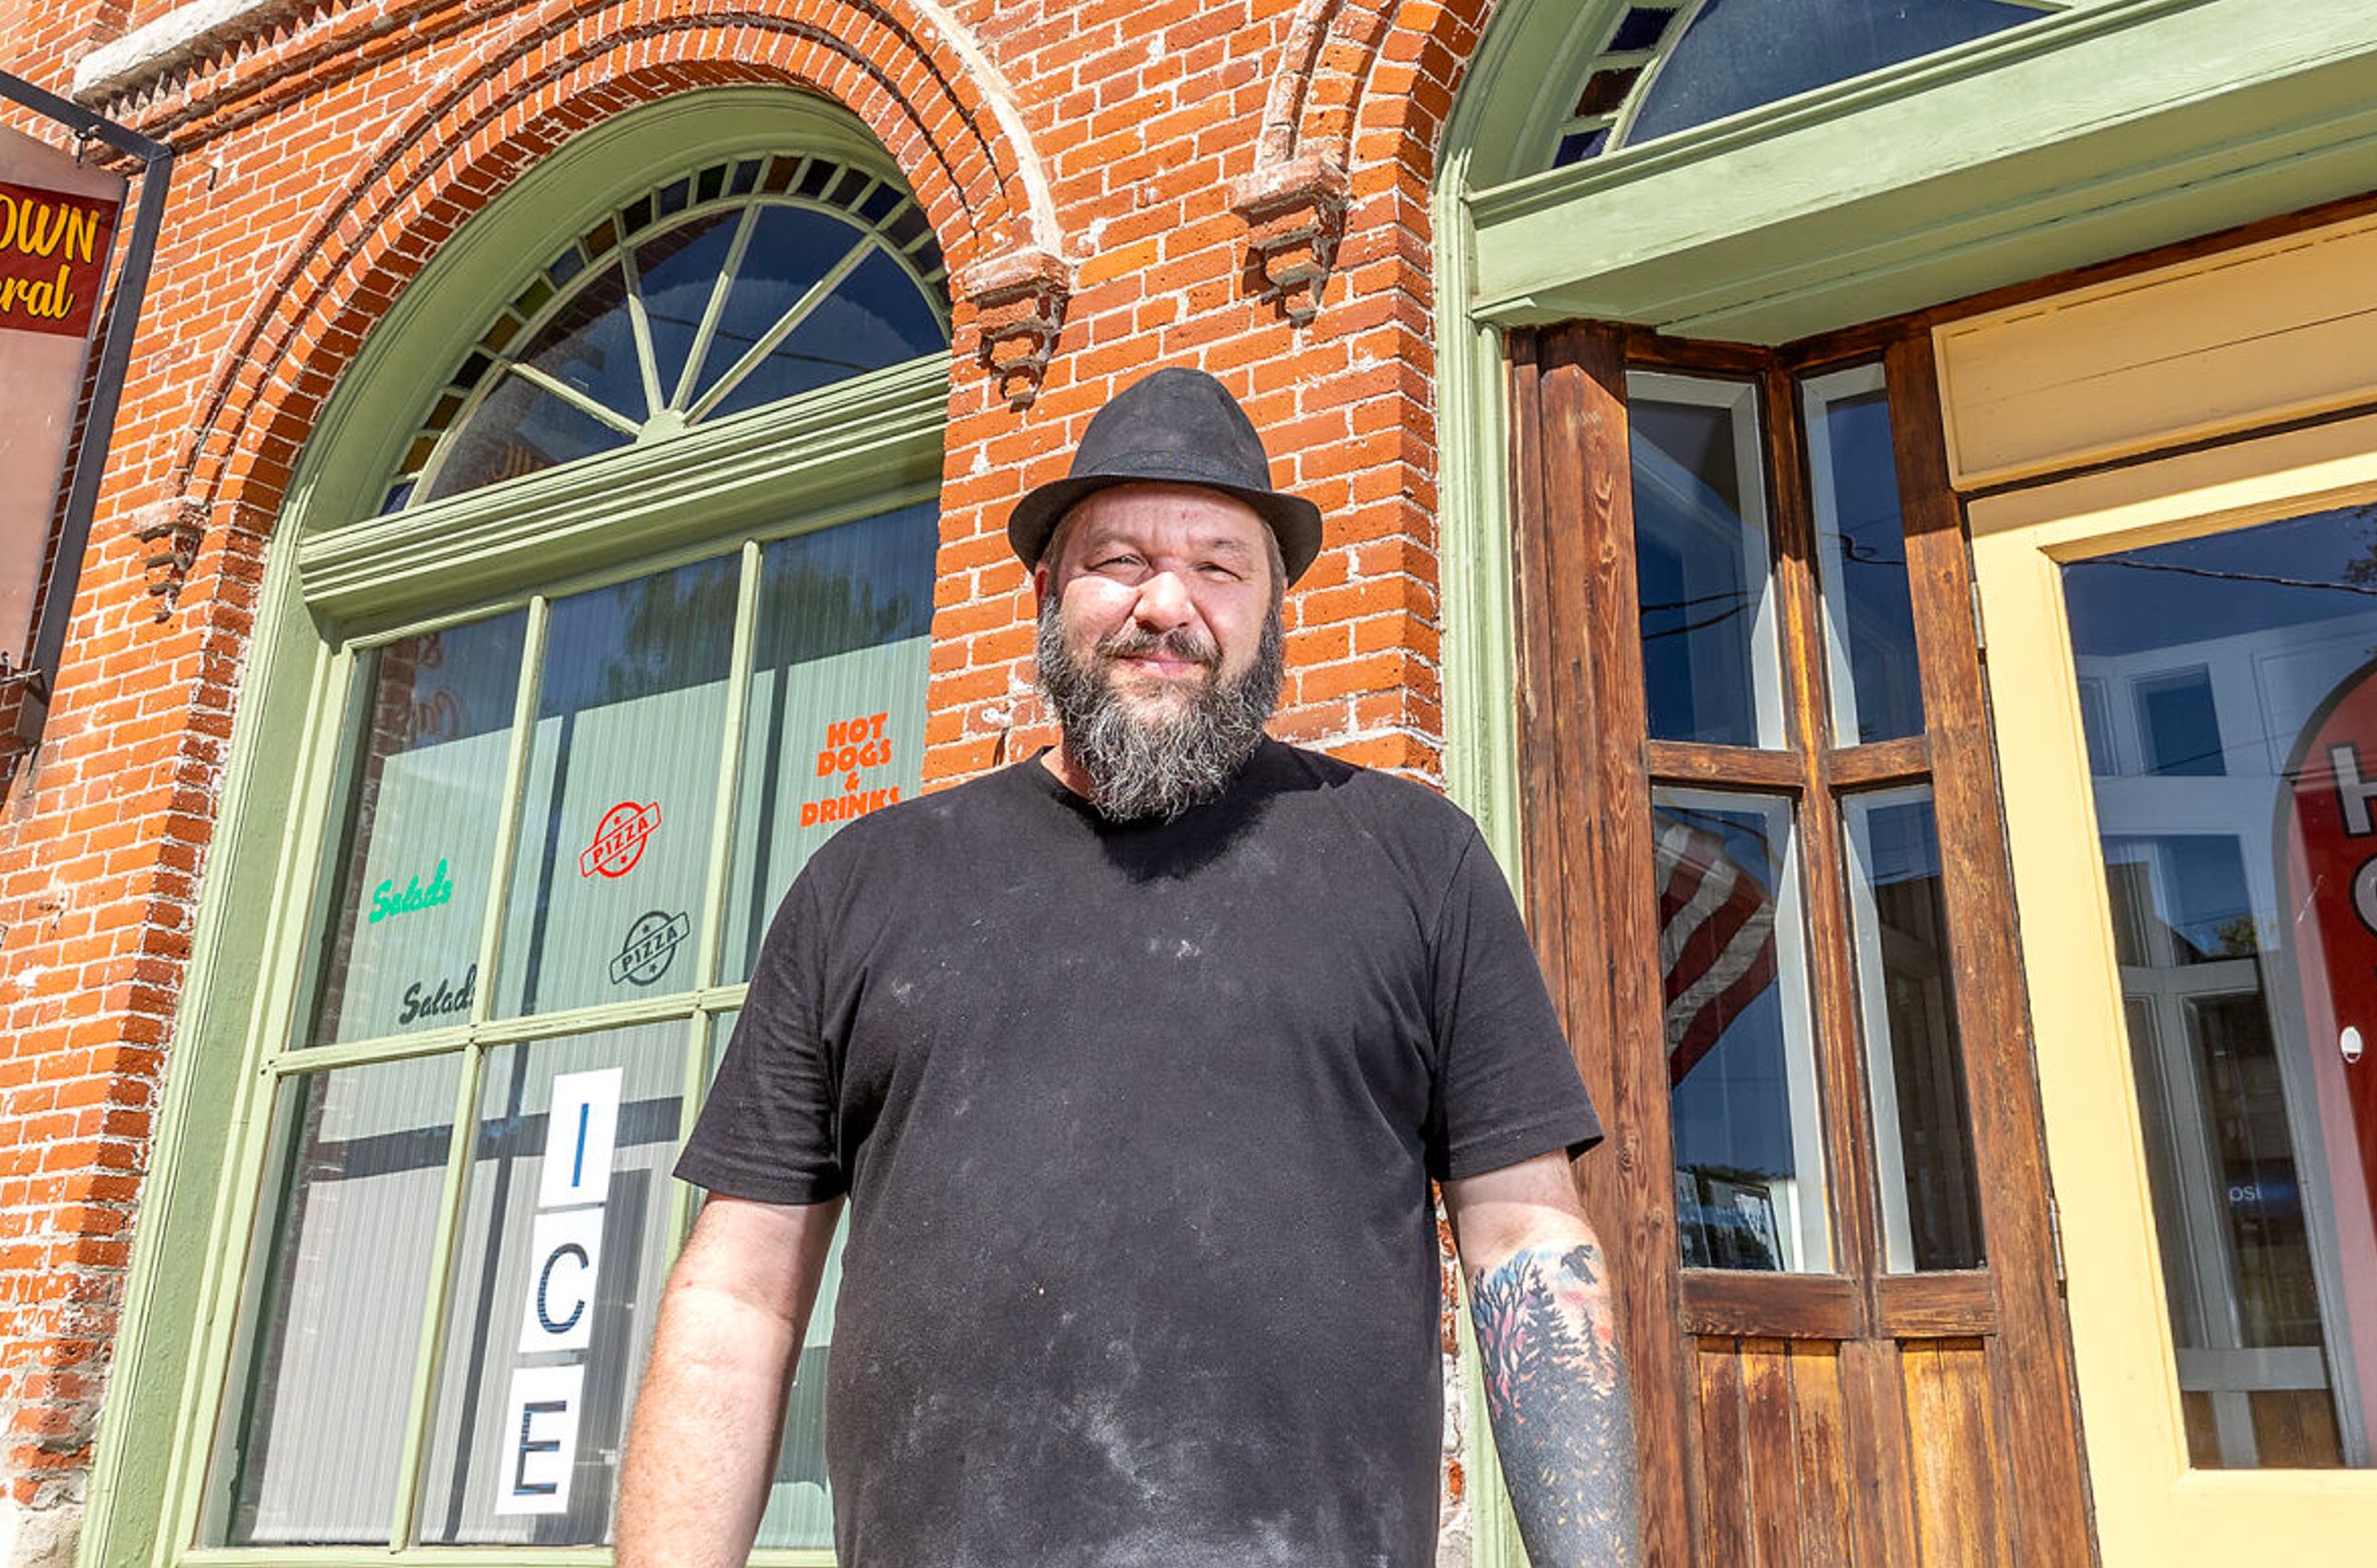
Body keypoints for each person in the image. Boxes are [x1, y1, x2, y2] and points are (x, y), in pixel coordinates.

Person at [618, 366, 1640, 1568]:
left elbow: (1527, 1241)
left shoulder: (1416, 859)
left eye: (1220, 564)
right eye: (1121, 559)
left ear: (1273, 607)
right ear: (1049, 589)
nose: (1170, 602)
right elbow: (738, 1296)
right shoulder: (869, 881)